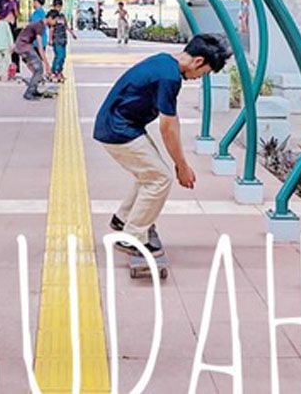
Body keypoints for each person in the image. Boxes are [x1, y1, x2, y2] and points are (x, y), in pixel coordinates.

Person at [93, 34, 232, 256]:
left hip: (120, 125)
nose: (199, 78)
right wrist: (182, 166)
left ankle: (124, 219)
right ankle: (131, 238)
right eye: (203, 73)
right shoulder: (170, 78)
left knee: (150, 174)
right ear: (198, 61)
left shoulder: (165, 61)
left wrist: (179, 162)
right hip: (118, 129)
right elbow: (168, 128)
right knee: (160, 178)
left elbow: (172, 121)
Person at [13, 9, 59, 101]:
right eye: (55, 21)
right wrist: (47, 65)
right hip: (24, 46)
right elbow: (40, 47)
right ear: (50, 18)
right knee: (39, 69)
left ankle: (34, 90)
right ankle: (29, 92)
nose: (55, 23)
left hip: (22, 46)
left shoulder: (40, 24)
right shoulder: (40, 26)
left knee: (37, 70)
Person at [48, 0, 77, 82]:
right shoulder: (52, 17)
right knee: (59, 56)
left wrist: (72, 34)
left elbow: (66, 26)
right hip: (56, 40)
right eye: (56, 6)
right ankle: (55, 72)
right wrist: (50, 39)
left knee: (63, 56)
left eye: (59, 6)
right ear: (53, 6)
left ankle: (58, 71)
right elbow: (51, 29)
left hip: (63, 39)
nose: (58, 8)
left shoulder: (62, 16)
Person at [0, 0, 21, 72]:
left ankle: (15, 66)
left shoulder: (15, 2)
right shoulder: (1, 2)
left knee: (13, 46)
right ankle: (2, 67)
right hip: (4, 25)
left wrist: (15, 8)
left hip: (13, 26)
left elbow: (18, 15)